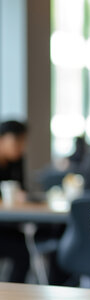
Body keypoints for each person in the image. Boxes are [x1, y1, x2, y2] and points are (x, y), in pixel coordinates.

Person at [0, 120, 30, 282]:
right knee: (21, 250)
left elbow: (22, 189)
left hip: (7, 224)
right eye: (16, 141)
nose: (20, 146)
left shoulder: (17, 161)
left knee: (23, 249)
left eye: (23, 141)